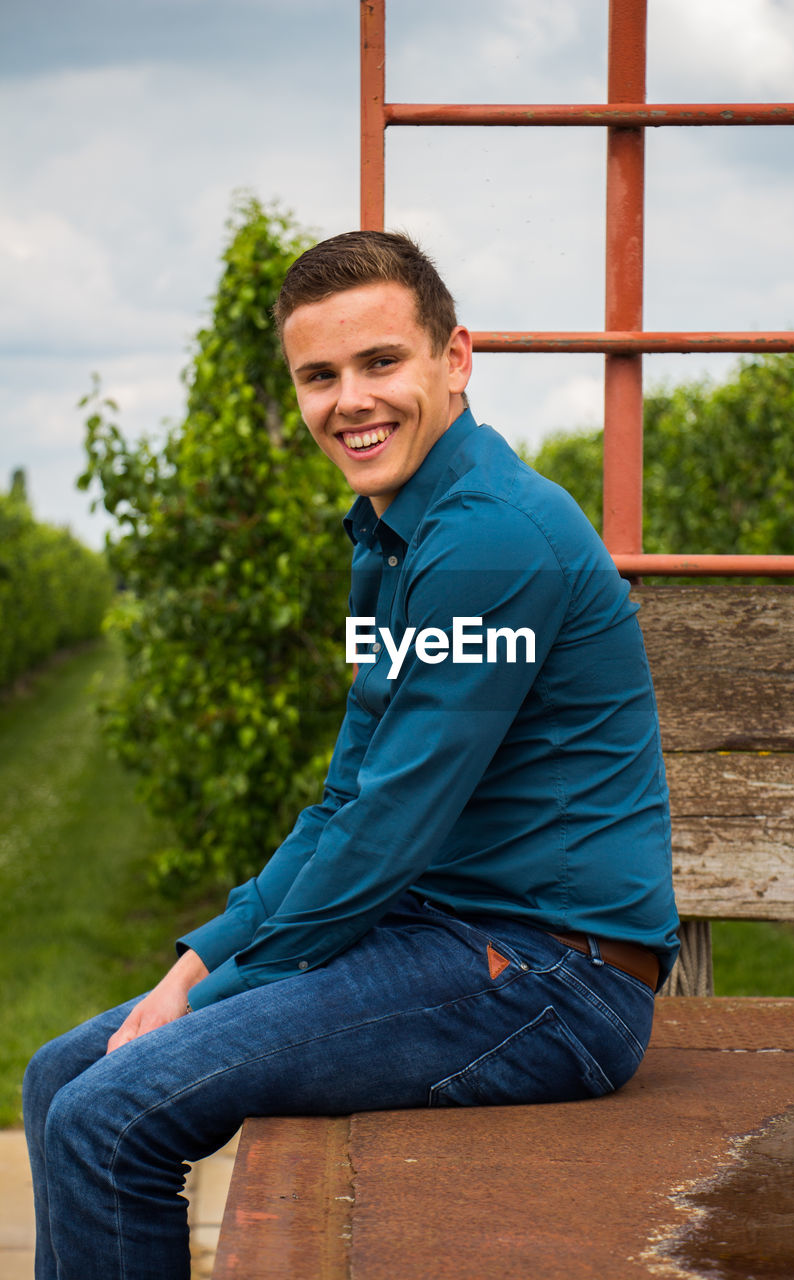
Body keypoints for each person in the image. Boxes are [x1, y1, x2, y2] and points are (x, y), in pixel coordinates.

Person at [24, 230, 680, 1280]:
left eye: (381, 362)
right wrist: (197, 960)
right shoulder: (392, 537)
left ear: (453, 359)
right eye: (319, 376)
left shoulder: (489, 540)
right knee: (62, 1075)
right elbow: (347, 796)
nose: (350, 401)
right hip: (445, 931)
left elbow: (385, 829)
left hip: (553, 976)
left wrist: (210, 982)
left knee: (111, 1113)